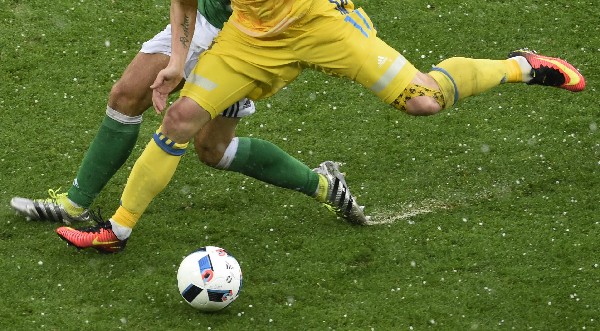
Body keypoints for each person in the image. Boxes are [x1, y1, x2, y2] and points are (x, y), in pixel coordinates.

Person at [54, 0, 585, 253]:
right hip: (250, 36)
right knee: (181, 117)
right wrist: (175, 59)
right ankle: (117, 228)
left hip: (322, 23)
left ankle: (521, 66)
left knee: (424, 101)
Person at [10, 0, 369, 231]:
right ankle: (75, 205)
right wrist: (180, 57)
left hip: (249, 47)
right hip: (202, 24)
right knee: (125, 96)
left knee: (213, 150)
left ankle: (324, 185)